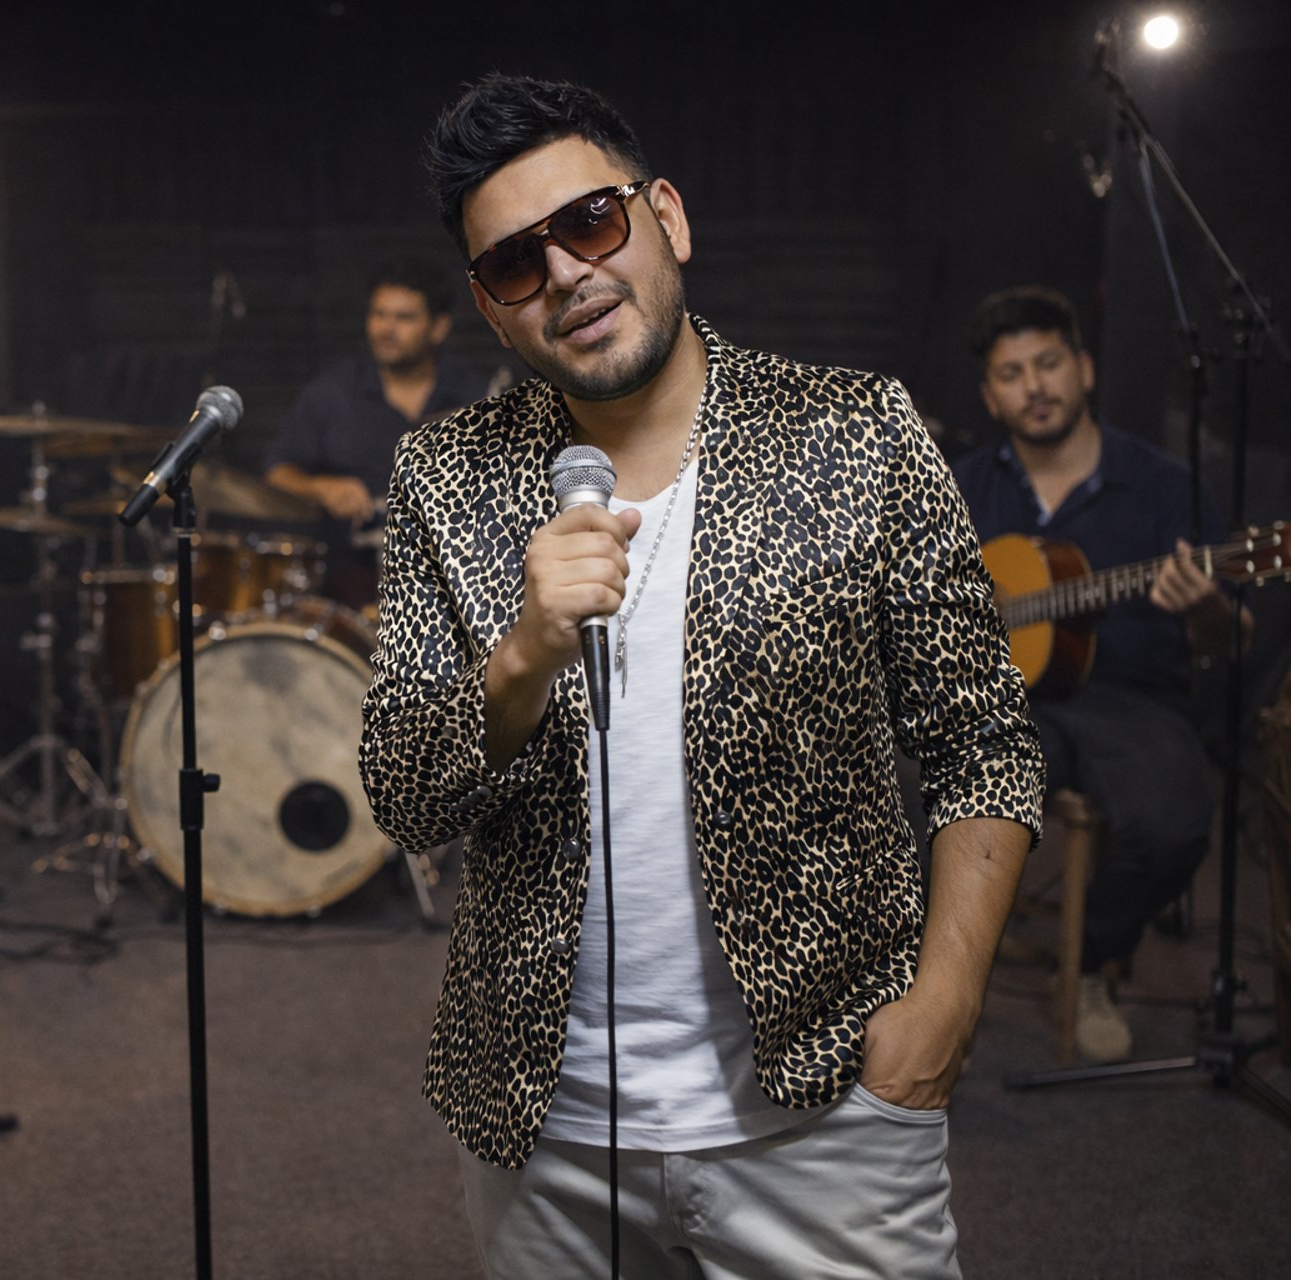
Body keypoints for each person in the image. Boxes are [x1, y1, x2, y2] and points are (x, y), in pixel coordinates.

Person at [358, 75, 1043, 1278]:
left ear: (665, 217)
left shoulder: (859, 432)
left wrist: (942, 1010)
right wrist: (522, 653)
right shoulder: (442, 476)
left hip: (827, 1109)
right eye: (517, 262)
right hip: (543, 1128)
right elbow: (406, 796)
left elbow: (983, 738)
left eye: (590, 222)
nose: (566, 273)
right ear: (490, 307)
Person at [954, 284, 1250, 1064]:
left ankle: (1091, 963)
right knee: (934, 791)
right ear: (990, 395)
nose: (1035, 386)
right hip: (1008, 702)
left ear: (1083, 369)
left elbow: (1232, 636)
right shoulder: (961, 487)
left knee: (1176, 822)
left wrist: (1205, 607)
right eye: (1012, 373)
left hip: (1132, 700)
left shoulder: (1164, 483)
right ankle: (942, 971)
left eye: (1048, 363)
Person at [264, 258, 486, 605]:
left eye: (404, 318)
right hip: (350, 586)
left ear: (439, 327)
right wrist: (322, 487)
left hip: (456, 581)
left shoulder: (475, 395)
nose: (386, 329)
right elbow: (277, 473)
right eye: (378, 314)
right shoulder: (331, 394)